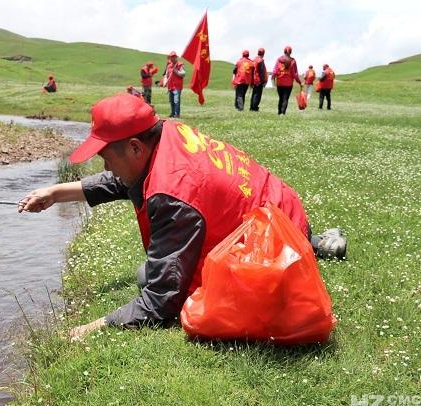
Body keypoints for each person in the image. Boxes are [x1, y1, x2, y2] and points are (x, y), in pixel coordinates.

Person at [18, 93, 348, 339]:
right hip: (283, 209)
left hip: (275, 244)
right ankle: (314, 242)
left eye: (106, 156)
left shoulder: (171, 195)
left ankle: (306, 248)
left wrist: (87, 329)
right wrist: (56, 192)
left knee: (149, 277)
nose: (104, 165)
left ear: (135, 147)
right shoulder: (166, 133)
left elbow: (160, 303)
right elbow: (129, 180)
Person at [271, 46, 302, 115]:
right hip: (288, 84)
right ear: (290, 52)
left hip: (280, 83)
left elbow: (275, 71)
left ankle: (279, 112)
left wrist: (272, 77)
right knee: (285, 98)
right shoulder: (293, 61)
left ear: (284, 51)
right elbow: (295, 74)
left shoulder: (279, 60)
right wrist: (299, 82)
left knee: (281, 98)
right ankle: (283, 113)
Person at [165, 51, 186, 118]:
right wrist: (166, 83)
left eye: (174, 57)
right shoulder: (169, 66)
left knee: (176, 100)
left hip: (177, 86)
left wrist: (176, 71)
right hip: (170, 86)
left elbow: (183, 74)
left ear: (176, 57)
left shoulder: (180, 65)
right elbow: (167, 75)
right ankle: (173, 113)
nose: (172, 58)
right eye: (171, 57)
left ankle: (177, 114)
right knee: (171, 101)